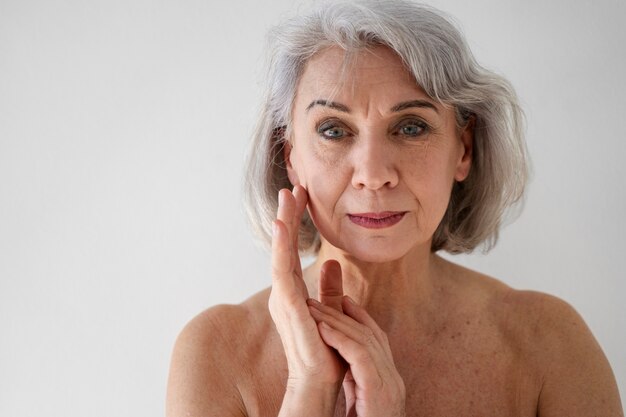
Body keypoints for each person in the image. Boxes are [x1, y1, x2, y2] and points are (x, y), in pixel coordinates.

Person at [166, 1, 624, 416]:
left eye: (410, 127)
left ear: (463, 149)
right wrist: (306, 388)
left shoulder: (550, 344)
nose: (373, 172)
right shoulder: (216, 352)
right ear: (290, 157)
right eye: (333, 129)